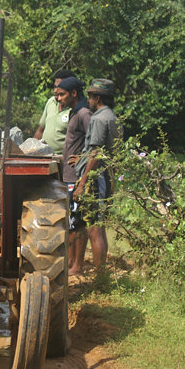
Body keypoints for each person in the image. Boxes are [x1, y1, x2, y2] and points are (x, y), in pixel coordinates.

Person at [70, 78, 121, 273]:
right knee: (95, 225)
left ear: (97, 97)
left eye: (90, 96)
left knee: (94, 228)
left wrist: (82, 184)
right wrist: (81, 160)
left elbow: (97, 153)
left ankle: (101, 276)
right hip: (105, 176)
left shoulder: (99, 119)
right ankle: (98, 273)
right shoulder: (111, 116)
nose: (88, 100)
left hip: (96, 178)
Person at [55, 76, 92, 276]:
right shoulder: (74, 113)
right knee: (69, 221)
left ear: (74, 93)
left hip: (76, 176)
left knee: (77, 222)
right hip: (68, 175)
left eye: (62, 94)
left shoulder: (84, 113)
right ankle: (70, 264)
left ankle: (78, 266)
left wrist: (83, 158)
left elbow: (94, 142)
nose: (59, 98)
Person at [33, 69, 75, 154]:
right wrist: (31, 148)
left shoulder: (75, 110)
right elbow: (40, 130)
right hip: (43, 156)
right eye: (55, 87)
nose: (55, 91)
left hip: (62, 160)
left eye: (59, 87)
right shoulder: (51, 102)